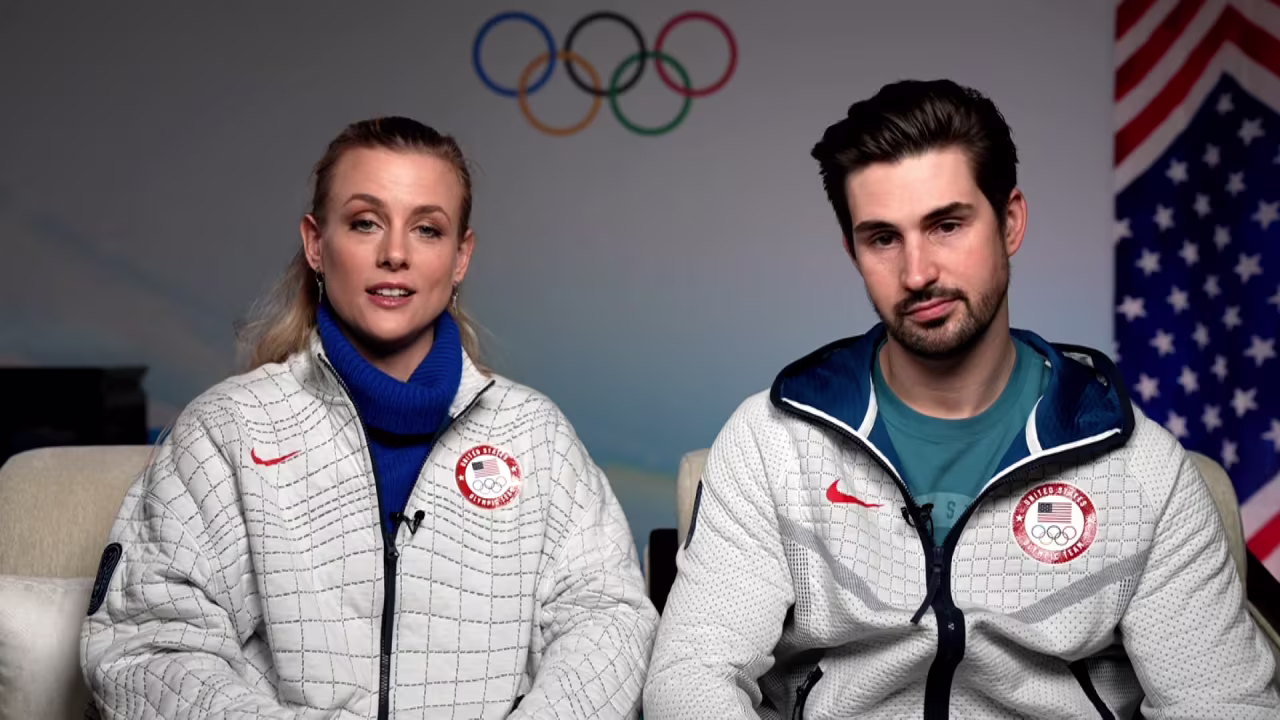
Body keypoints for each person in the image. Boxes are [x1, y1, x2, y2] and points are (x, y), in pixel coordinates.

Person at [643, 79, 1280, 719]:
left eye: (946, 225)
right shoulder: (772, 443)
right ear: (852, 250)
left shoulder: (1139, 466)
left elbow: (1222, 703)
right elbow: (691, 679)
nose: (917, 272)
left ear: (1010, 222)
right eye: (883, 238)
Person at [81, 116, 658, 719]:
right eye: (365, 223)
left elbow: (608, 622)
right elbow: (150, 648)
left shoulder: (536, 437)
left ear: (461, 257)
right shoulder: (227, 430)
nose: (395, 255)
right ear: (315, 244)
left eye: (427, 230)